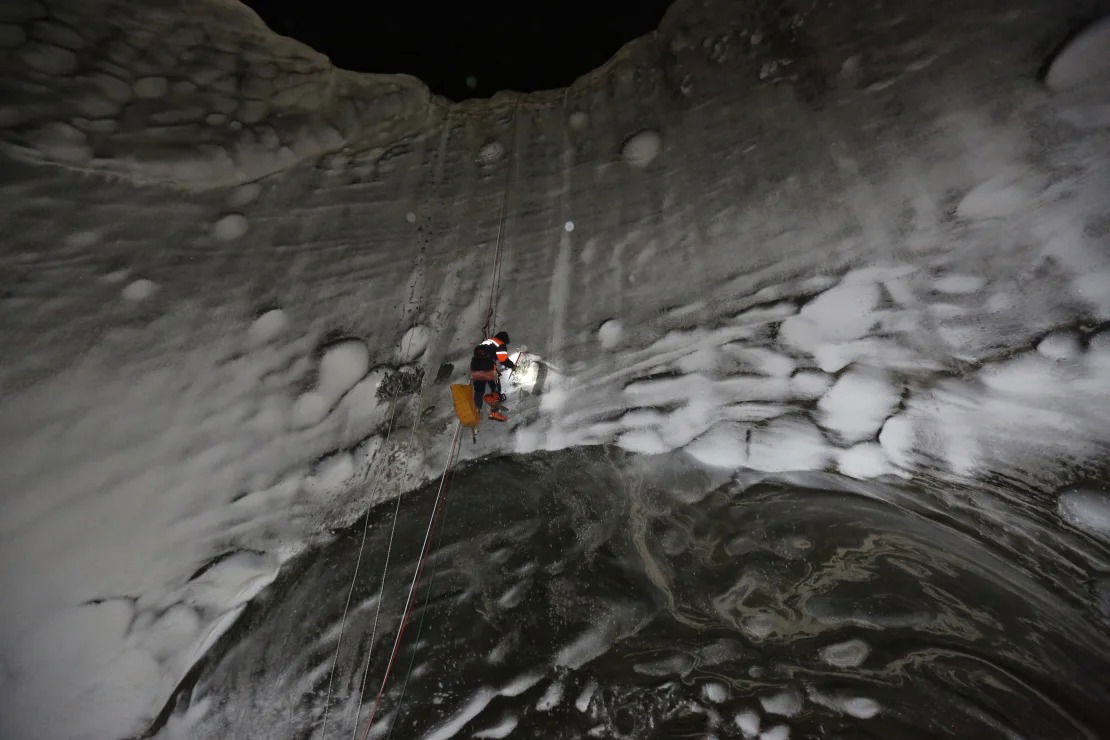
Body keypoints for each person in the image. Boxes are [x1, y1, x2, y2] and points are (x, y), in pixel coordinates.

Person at [471, 331, 516, 422]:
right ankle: (495, 412)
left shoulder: (488, 341)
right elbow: (503, 359)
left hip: (475, 367)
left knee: (479, 390)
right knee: (495, 388)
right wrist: (513, 366)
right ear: (504, 340)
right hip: (487, 367)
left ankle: (476, 410)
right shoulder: (500, 344)